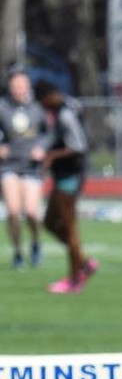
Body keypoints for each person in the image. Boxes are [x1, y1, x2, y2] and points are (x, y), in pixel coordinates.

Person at [34, 80, 97, 295]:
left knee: (70, 228)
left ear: (51, 95)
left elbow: (78, 146)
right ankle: (83, 262)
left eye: (43, 101)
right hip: (62, 176)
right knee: (50, 223)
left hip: (71, 175)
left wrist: (51, 155)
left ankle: (75, 279)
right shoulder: (63, 109)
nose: (43, 105)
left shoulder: (65, 114)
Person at [0, 68, 47, 269]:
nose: (19, 89)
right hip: (9, 165)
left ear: (28, 86)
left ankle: (36, 242)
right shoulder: (2, 107)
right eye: (15, 86)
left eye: (22, 85)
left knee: (31, 212)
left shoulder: (38, 108)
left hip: (31, 167)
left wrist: (42, 148)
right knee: (12, 211)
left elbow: (50, 133)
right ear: (10, 88)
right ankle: (18, 251)